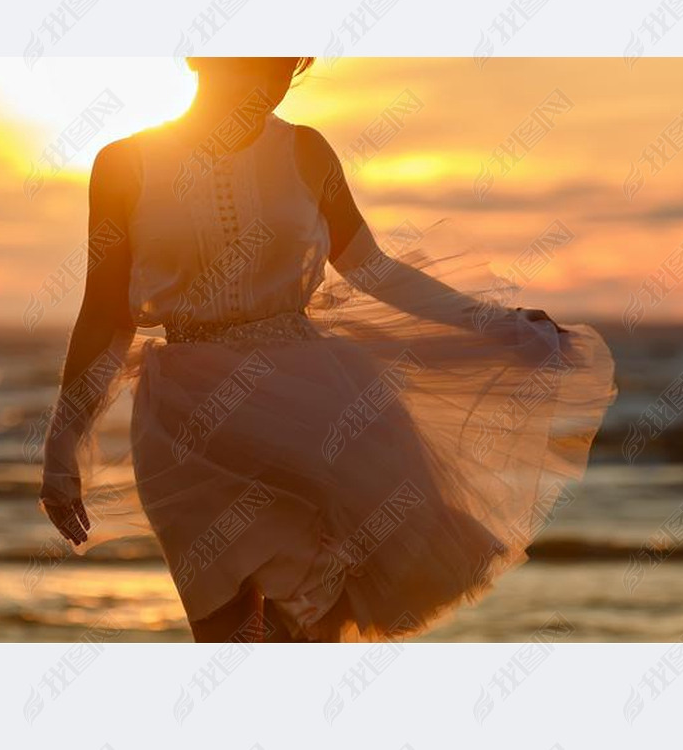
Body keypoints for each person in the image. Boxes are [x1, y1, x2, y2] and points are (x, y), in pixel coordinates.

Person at [40, 57, 616, 641]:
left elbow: (373, 270)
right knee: (220, 634)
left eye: (287, 63)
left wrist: (496, 324)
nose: (276, 78)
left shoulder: (305, 152)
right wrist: (62, 448)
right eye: (258, 60)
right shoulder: (124, 163)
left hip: (315, 412)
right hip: (184, 427)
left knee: (306, 633)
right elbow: (106, 313)